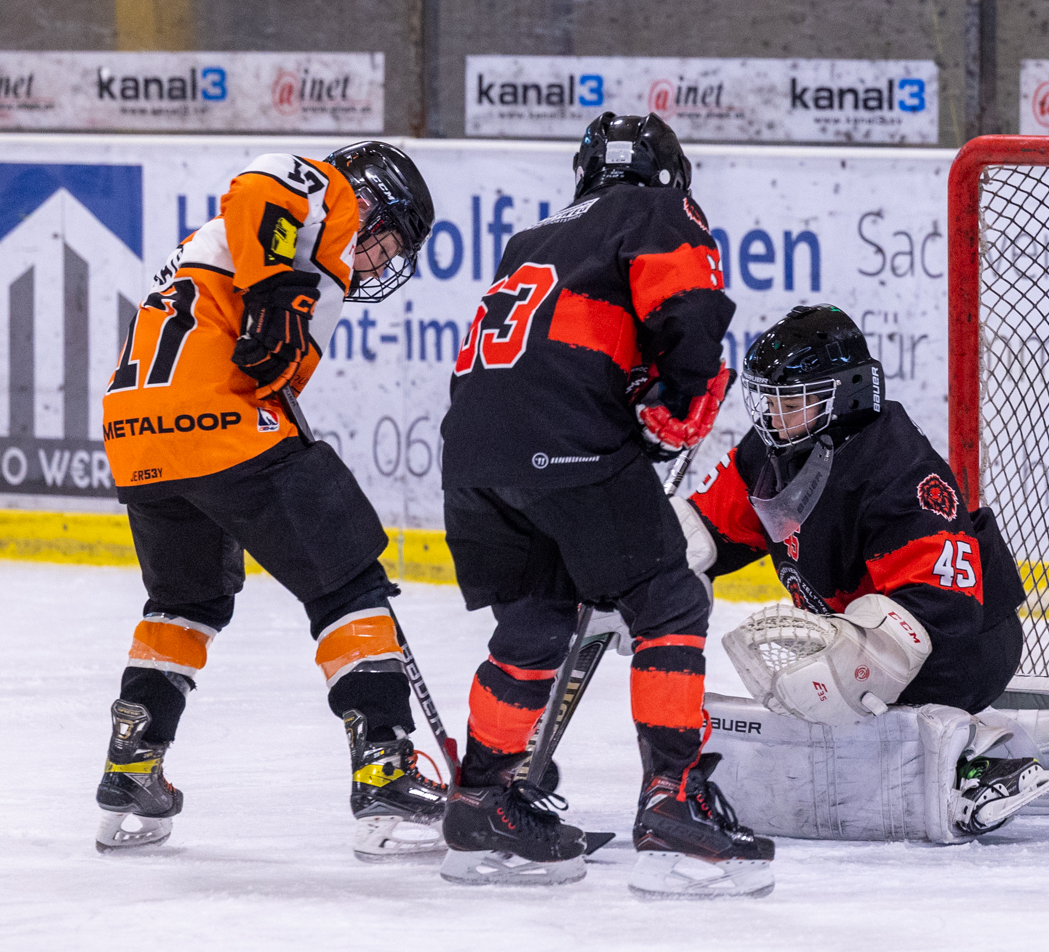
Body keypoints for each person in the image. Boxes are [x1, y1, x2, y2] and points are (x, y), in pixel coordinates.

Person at [678, 304, 1049, 841]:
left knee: (848, 702)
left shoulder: (900, 470)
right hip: (872, 628)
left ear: (843, 397)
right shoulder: (770, 453)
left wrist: (854, 669)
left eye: (792, 402)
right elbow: (709, 531)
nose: (774, 418)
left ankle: (980, 761)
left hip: (966, 644)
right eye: (771, 401)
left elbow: (940, 608)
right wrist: (647, 577)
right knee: (835, 696)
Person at [437, 111, 773, 897]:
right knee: (670, 600)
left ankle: (480, 802)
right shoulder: (657, 208)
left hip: (473, 458)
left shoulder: (531, 239)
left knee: (536, 624)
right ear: (669, 173)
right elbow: (690, 310)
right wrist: (680, 394)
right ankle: (672, 802)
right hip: (568, 443)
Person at [94, 142, 444, 861]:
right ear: (371, 205)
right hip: (217, 424)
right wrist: (277, 294)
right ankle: (384, 767)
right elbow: (261, 180)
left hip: (138, 434)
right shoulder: (323, 195)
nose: (380, 261)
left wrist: (275, 297)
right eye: (388, 242)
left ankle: (132, 764)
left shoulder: (247, 252)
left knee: (185, 601)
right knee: (347, 583)